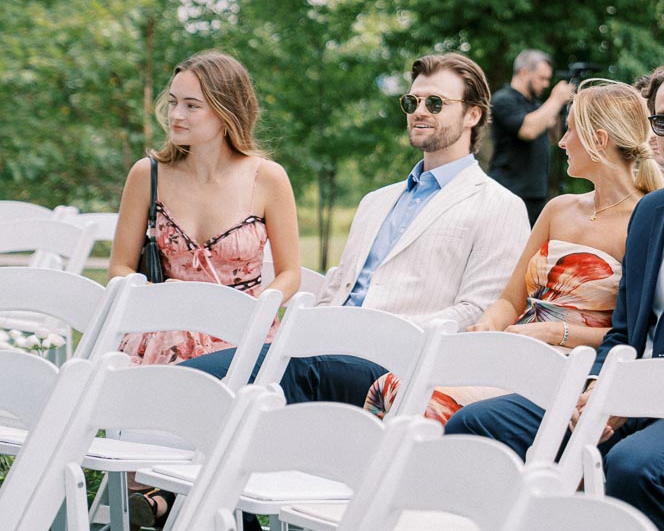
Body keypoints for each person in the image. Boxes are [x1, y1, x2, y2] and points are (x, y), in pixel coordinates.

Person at [445, 59, 664, 531]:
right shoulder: (650, 212)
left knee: (632, 465)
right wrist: (598, 386)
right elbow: (623, 332)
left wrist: (632, 399)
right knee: (475, 423)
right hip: (623, 390)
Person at [183, 52, 528, 406]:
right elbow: (338, 287)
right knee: (229, 374)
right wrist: (313, 331)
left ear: (473, 114)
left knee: (228, 377)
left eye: (436, 103)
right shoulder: (376, 201)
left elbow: (478, 311)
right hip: (323, 350)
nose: (420, 111)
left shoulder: (500, 206)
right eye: (412, 102)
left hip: (398, 364)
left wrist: (373, 336)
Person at [363, 79, 664, 422]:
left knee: (430, 404)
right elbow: (510, 300)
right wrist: (487, 326)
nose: (561, 142)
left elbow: (636, 335)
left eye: (570, 130)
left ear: (599, 140)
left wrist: (554, 332)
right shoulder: (558, 209)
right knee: (392, 385)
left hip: (565, 367)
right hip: (511, 348)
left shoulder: (646, 219)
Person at [97, 50, 302, 531]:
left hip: (241, 336)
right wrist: (157, 297)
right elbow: (119, 268)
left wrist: (256, 311)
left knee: (225, 439)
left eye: (192, 106)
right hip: (162, 334)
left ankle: (149, 512)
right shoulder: (147, 174)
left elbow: (291, 273)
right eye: (173, 102)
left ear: (226, 111)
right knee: (183, 436)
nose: (176, 115)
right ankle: (156, 508)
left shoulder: (267, 178)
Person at [487, 49, 575, 224]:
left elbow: (554, 137)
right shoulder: (503, 99)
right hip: (509, 192)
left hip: (536, 195)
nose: (546, 84)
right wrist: (556, 99)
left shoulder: (536, 105)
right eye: (542, 78)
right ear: (524, 73)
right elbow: (528, 130)